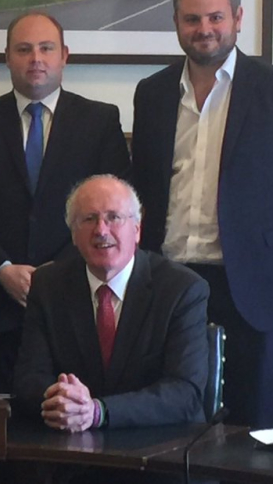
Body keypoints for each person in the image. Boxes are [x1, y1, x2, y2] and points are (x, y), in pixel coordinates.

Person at [0, 11, 130, 394]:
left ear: (65, 55)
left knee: (67, 419)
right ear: (7, 57)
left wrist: (57, 272)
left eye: (46, 48)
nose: (36, 58)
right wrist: (2, 269)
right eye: (24, 49)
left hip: (74, 301)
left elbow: (116, 214)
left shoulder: (99, 121)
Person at [131, 0, 273, 429]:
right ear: (175, 22)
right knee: (168, 418)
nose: (204, 29)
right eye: (192, 19)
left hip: (247, 284)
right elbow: (142, 188)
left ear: (237, 19)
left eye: (215, 17)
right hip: (166, 279)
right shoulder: (151, 93)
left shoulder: (268, 89)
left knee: (248, 427)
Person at [13, 175, 208, 432]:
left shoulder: (181, 289)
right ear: (73, 234)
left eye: (113, 217)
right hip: (72, 450)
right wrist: (62, 398)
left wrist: (98, 411)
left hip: (159, 448)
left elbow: (185, 392)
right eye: (89, 219)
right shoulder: (48, 285)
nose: (101, 230)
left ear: (137, 229)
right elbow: (28, 378)